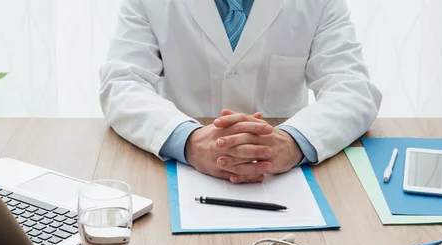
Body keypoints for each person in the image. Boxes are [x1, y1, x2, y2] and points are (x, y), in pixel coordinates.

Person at [100, 0, 381, 184]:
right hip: (183, 170)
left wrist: (293, 141)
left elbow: (353, 88)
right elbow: (123, 83)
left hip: (285, 177)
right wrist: (189, 140)